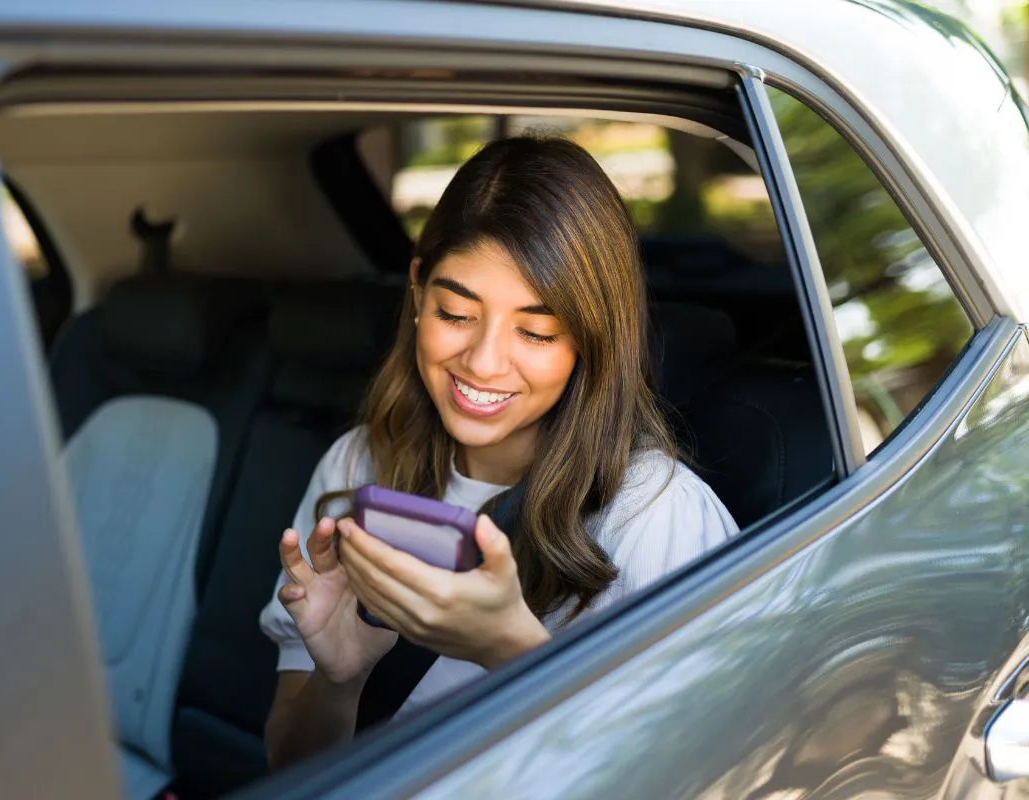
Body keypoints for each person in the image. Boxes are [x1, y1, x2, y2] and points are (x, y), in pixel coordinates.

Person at [258, 136, 738, 768]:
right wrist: (340, 679)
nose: (483, 363)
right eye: (456, 313)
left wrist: (508, 649)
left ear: (593, 339)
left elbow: (694, 773)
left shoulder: (656, 516)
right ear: (417, 290)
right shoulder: (358, 467)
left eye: (536, 331)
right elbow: (289, 768)